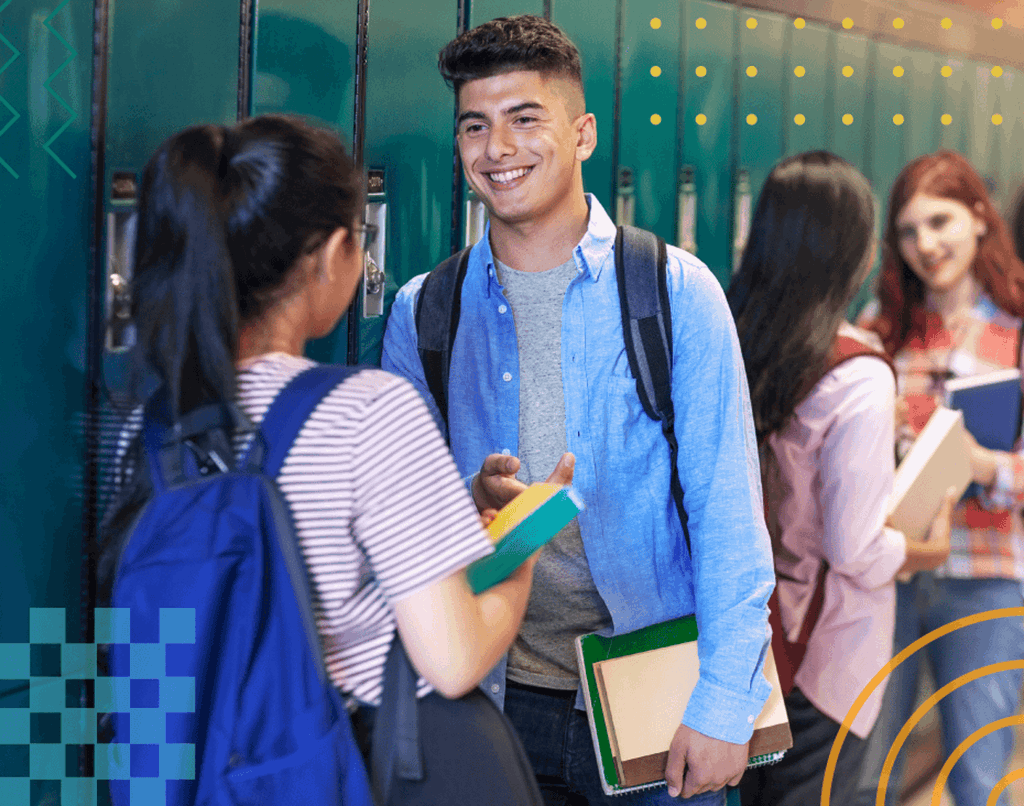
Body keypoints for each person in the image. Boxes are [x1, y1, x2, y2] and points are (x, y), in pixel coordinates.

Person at [97, 114, 568, 797]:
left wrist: (450, 516)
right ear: (329, 253)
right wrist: (519, 557)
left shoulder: (149, 427)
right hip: (352, 768)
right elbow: (455, 659)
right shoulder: (368, 411)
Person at [381, 15, 775, 806]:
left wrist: (727, 703)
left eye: (526, 119)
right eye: (475, 126)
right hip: (493, 701)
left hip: (658, 698)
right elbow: (404, 527)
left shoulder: (674, 292)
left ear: (583, 132)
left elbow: (729, 509)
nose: (499, 149)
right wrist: (471, 504)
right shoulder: (424, 311)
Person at [726, 151, 955, 806]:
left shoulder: (729, 337)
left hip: (738, 648)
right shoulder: (857, 375)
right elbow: (855, 548)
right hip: (821, 665)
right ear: (853, 249)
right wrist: (922, 551)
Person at [853, 150, 1024, 806]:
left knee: (980, 778)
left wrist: (977, 463)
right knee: (868, 774)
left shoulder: (1014, 329)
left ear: (980, 218)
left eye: (941, 221)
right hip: (889, 577)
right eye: (908, 230)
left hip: (983, 577)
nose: (926, 244)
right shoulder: (880, 329)